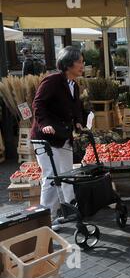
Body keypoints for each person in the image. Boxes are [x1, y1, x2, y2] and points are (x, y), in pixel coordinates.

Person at [30, 46, 85, 231]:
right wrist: (44, 123)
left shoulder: (74, 84)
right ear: (68, 63)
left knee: (67, 174)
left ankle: (70, 211)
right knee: (51, 178)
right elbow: (38, 104)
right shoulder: (52, 81)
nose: (82, 65)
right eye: (79, 61)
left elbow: (76, 107)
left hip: (63, 137)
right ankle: (46, 219)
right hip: (45, 138)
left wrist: (78, 122)